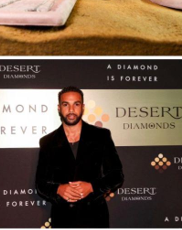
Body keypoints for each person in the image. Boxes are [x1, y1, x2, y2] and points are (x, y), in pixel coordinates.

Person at [36, 87, 124, 228]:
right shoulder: (47, 142)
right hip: (62, 218)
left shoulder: (101, 136)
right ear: (59, 108)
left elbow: (116, 175)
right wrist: (58, 189)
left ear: (82, 107)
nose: (71, 110)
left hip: (95, 217)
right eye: (66, 104)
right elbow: (40, 184)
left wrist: (91, 187)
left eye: (76, 104)